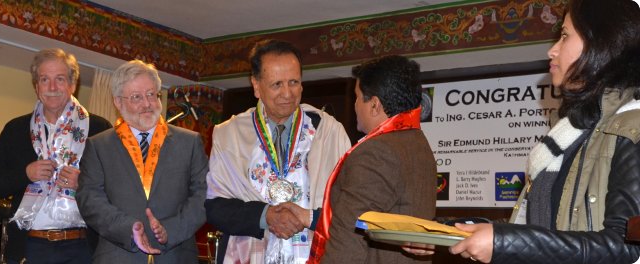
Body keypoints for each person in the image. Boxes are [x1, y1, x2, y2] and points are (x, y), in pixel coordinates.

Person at [407, 0, 640, 263]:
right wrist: (444, 231)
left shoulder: (632, 127)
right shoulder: (568, 133)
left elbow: (625, 246)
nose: (552, 51)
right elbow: (536, 226)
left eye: (564, 36)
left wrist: (503, 242)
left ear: (602, 42)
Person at [205, 39, 351, 264]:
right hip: (249, 254)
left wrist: (307, 218)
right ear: (256, 85)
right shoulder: (229, 134)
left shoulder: (328, 130)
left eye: (294, 82)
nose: (287, 93)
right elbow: (216, 208)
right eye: (277, 84)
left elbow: (348, 206)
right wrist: (267, 216)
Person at [0, 48, 111, 263]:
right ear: (36, 86)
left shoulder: (99, 129)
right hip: (29, 246)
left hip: (83, 247)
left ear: (72, 84)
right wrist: (25, 174)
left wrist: (84, 182)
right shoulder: (16, 129)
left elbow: (118, 190)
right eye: (44, 79)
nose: (52, 87)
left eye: (59, 79)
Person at [76, 59, 208, 263]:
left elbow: (203, 196)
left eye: (151, 95)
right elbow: (90, 200)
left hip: (176, 255)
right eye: (137, 97)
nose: (147, 104)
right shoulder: (98, 146)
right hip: (118, 256)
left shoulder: (189, 142)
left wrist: (169, 231)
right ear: (118, 102)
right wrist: (128, 228)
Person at [307, 55, 436, 264]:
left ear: (374, 105)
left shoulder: (377, 152)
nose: (355, 104)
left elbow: (349, 234)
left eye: (357, 97)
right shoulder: (418, 144)